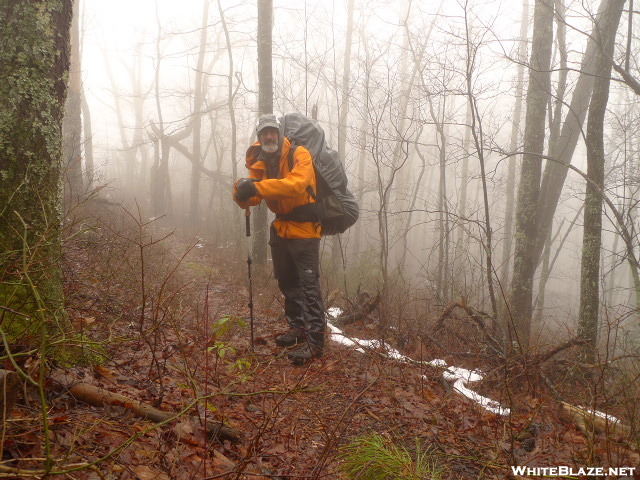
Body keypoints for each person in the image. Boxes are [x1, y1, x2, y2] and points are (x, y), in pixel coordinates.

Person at [233, 114, 325, 364]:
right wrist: (240, 190)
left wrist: (258, 188)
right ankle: (297, 330)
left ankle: (316, 341)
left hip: (305, 229)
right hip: (282, 228)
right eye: (264, 133)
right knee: (287, 282)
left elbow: (297, 184)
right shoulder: (261, 159)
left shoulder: (299, 153)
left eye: (273, 131)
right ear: (259, 136)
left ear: (280, 133)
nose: (269, 136)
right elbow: (251, 197)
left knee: (308, 286)